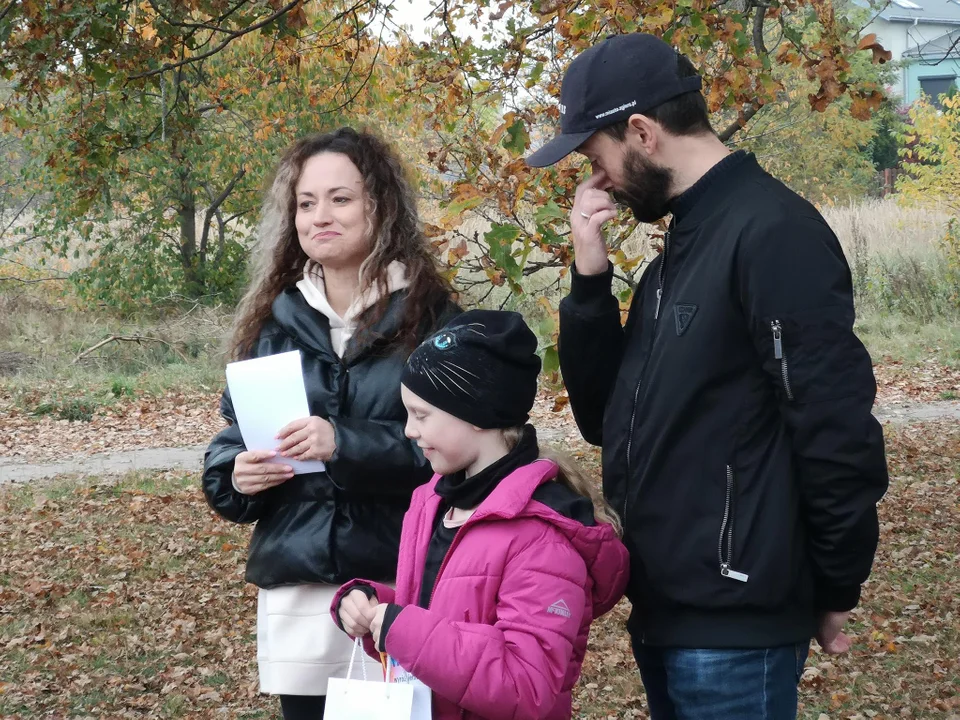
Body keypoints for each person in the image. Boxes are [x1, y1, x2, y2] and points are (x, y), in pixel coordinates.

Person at [525, 33, 889, 719]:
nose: (596, 179)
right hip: (670, 610)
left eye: (596, 157)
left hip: (735, 622)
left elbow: (834, 425)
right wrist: (589, 274)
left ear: (641, 132)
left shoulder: (772, 233)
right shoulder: (679, 252)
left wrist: (836, 584)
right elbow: (605, 419)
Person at [202, 127, 458, 720]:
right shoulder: (271, 323)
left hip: (401, 585)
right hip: (299, 592)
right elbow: (229, 444)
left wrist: (345, 442)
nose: (320, 215)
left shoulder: (432, 317)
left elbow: (467, 452)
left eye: (340, 198)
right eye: (306, 202)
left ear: (381, 205)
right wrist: (235, 476)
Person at [330, 310, 630, 720]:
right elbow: (439, 610)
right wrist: (372, 606)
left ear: (477, 415)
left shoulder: (542, 537)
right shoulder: (432, 504)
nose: (408, 431)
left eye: (421, 415)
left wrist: (402, 629)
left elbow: (527, 685)